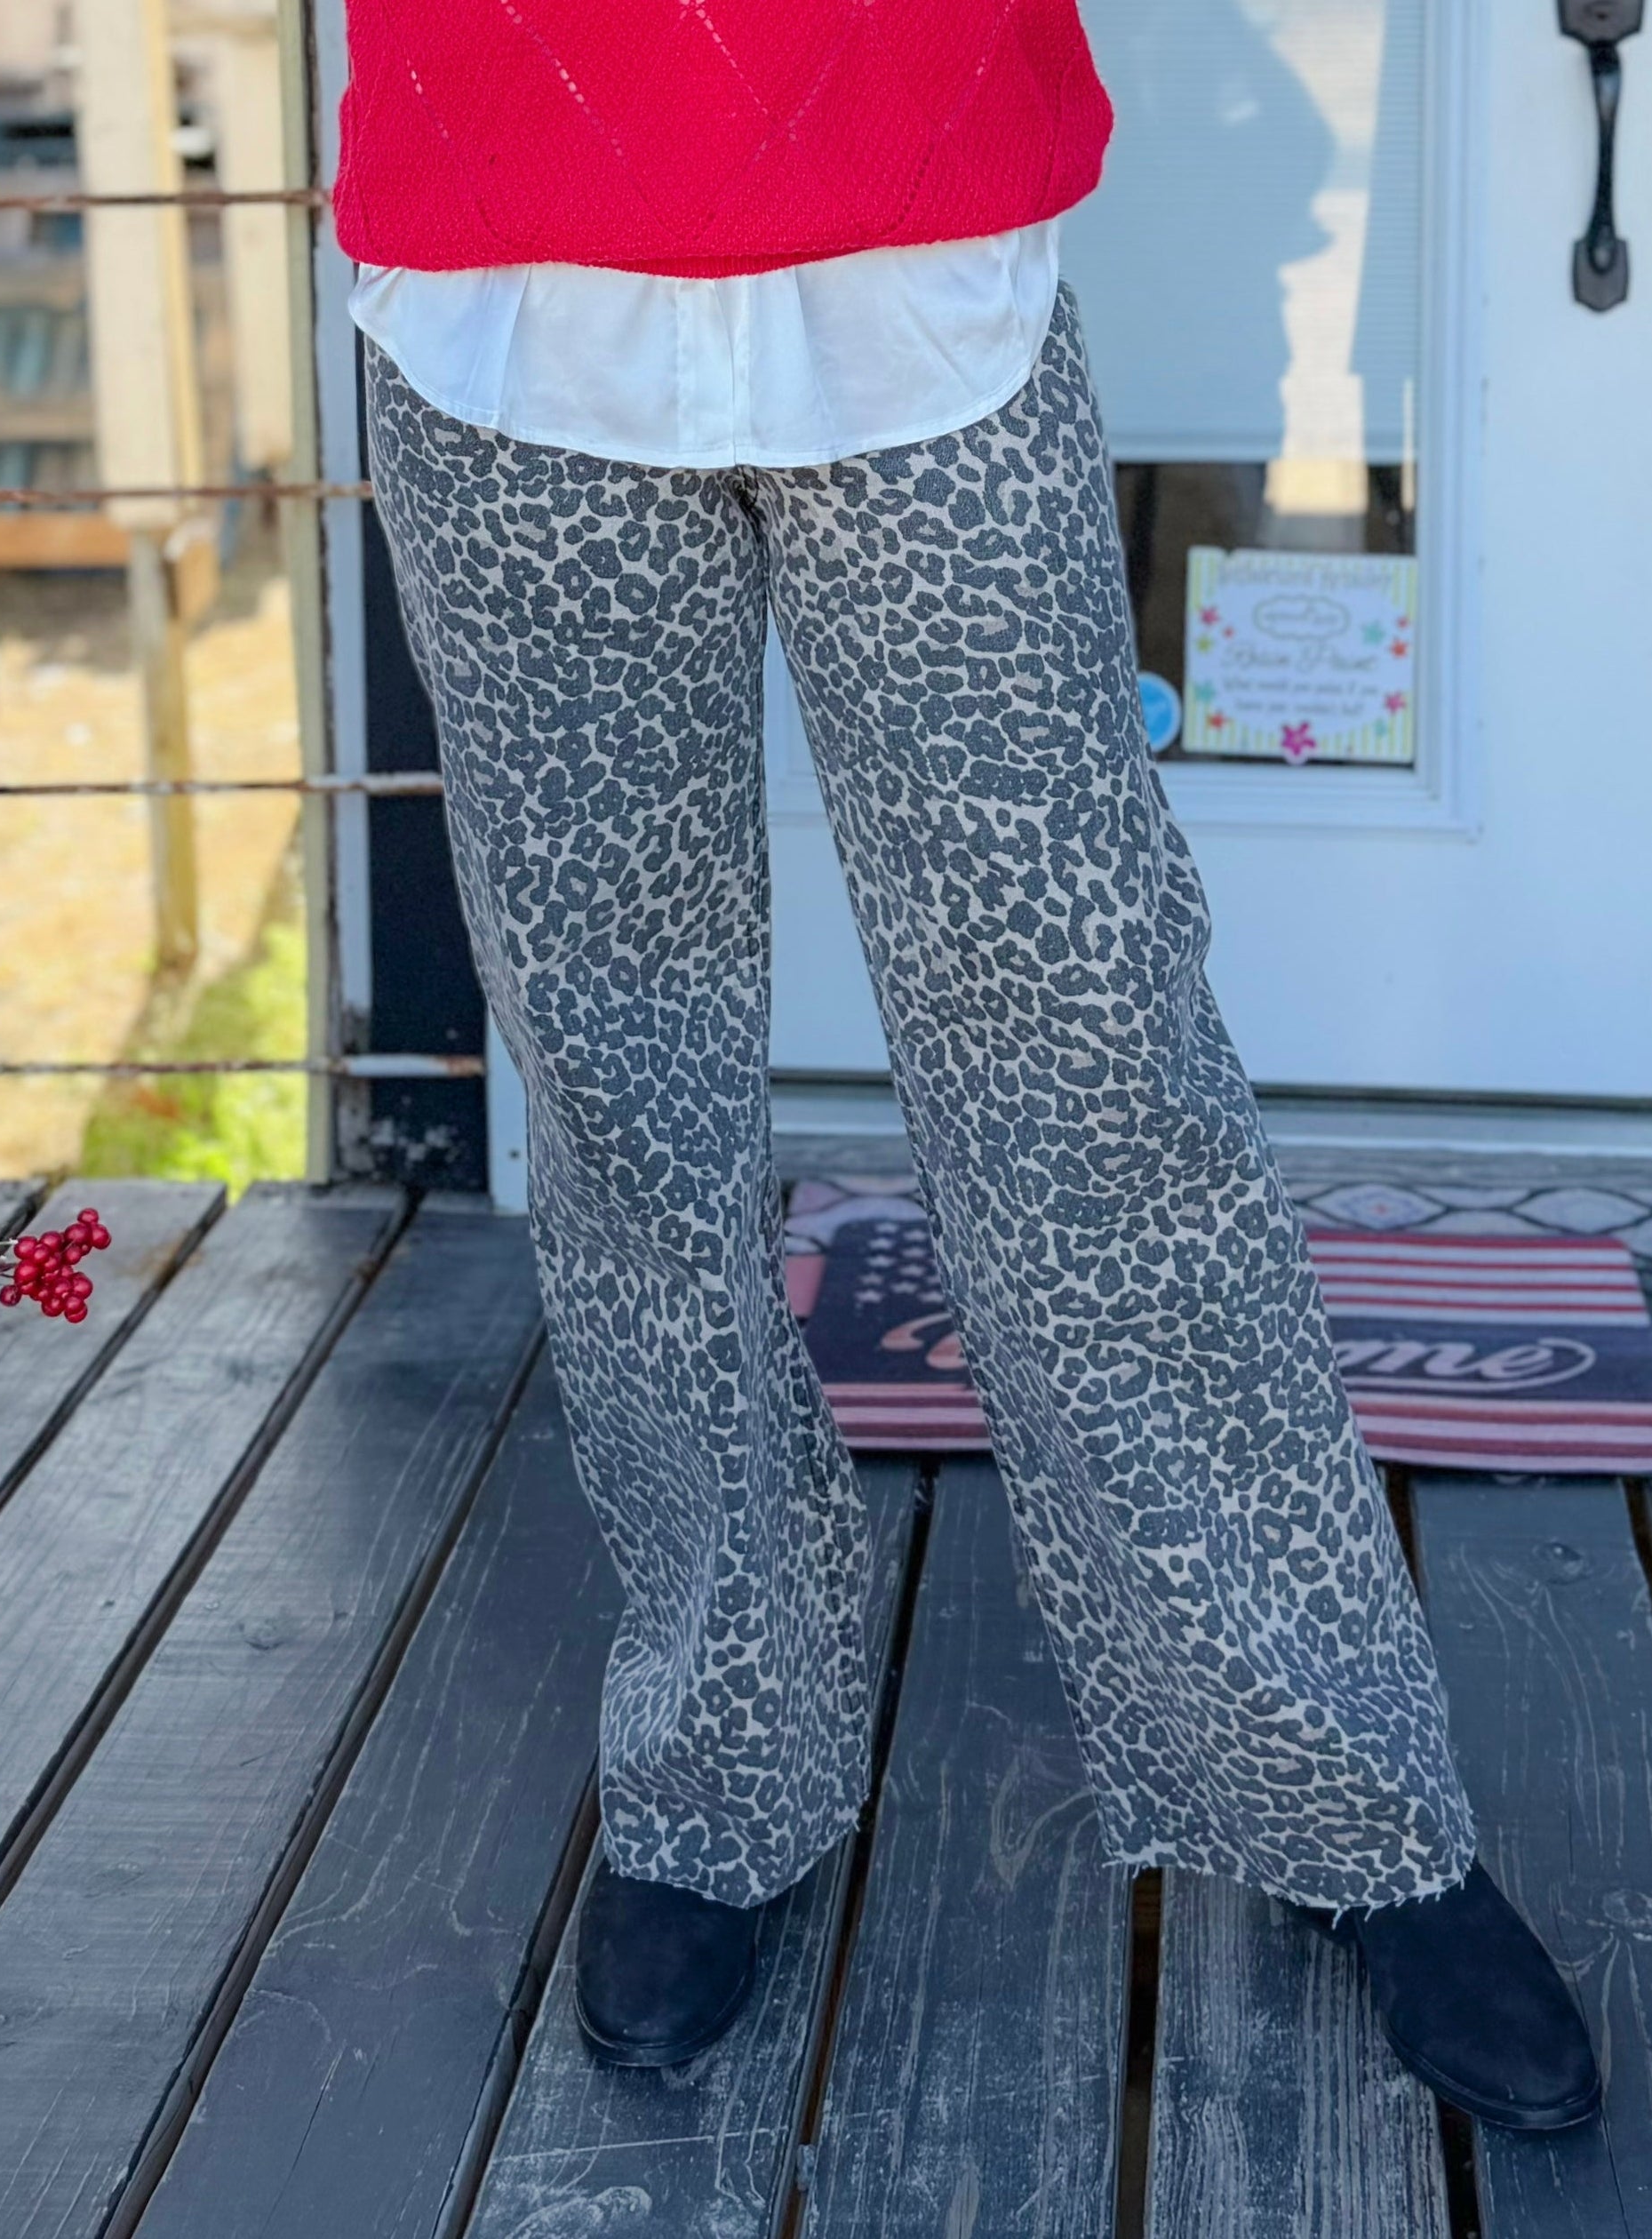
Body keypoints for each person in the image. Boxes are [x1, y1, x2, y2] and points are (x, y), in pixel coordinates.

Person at [334, 0, 1600, 2131]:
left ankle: (1343, 1784)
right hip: (498, 271)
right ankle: (718, 1752)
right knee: (622, 1086)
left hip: (915, 232)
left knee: (1090, 1049)